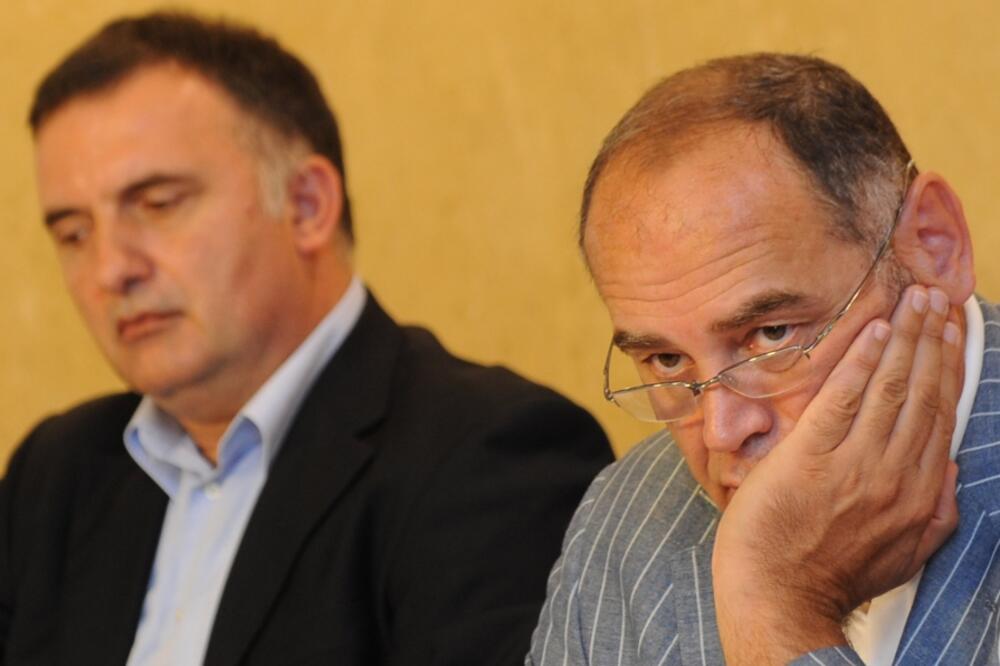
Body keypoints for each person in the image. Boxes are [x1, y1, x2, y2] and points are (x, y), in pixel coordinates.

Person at [0, 11, 614, 666]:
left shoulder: (490, 456)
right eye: (73, 233)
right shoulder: (55, 474)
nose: (109, 269)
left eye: (157, 204)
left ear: (306, 206)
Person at [529, 53, 999, 665]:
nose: (723, 432)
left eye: (771, 333)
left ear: (933, 245)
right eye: (667, 361)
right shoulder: (625, 521)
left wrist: (777, 603)